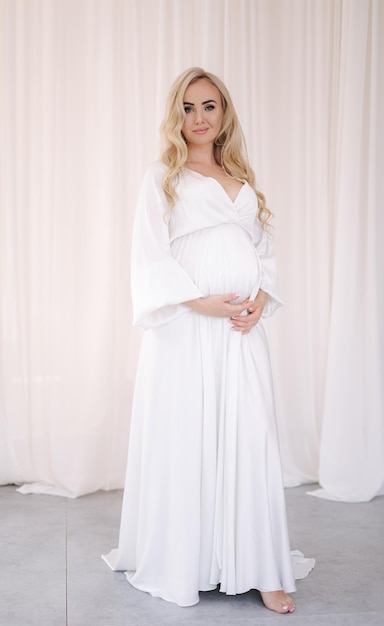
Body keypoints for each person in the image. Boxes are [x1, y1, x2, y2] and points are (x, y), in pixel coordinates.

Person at [103, 67, 314, 614]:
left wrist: (261, 299)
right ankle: (190, 559)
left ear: (225, 114)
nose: (200, 118)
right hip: (186, 328)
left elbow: (262, 251)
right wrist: (199, 302)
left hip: (240, 329)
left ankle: (262, 567)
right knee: (190, 434)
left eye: (210, 106)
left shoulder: (240, 175)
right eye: (190, 108)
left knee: (249, 434)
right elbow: (148, 254)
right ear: (178, 115)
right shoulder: (162, 176)